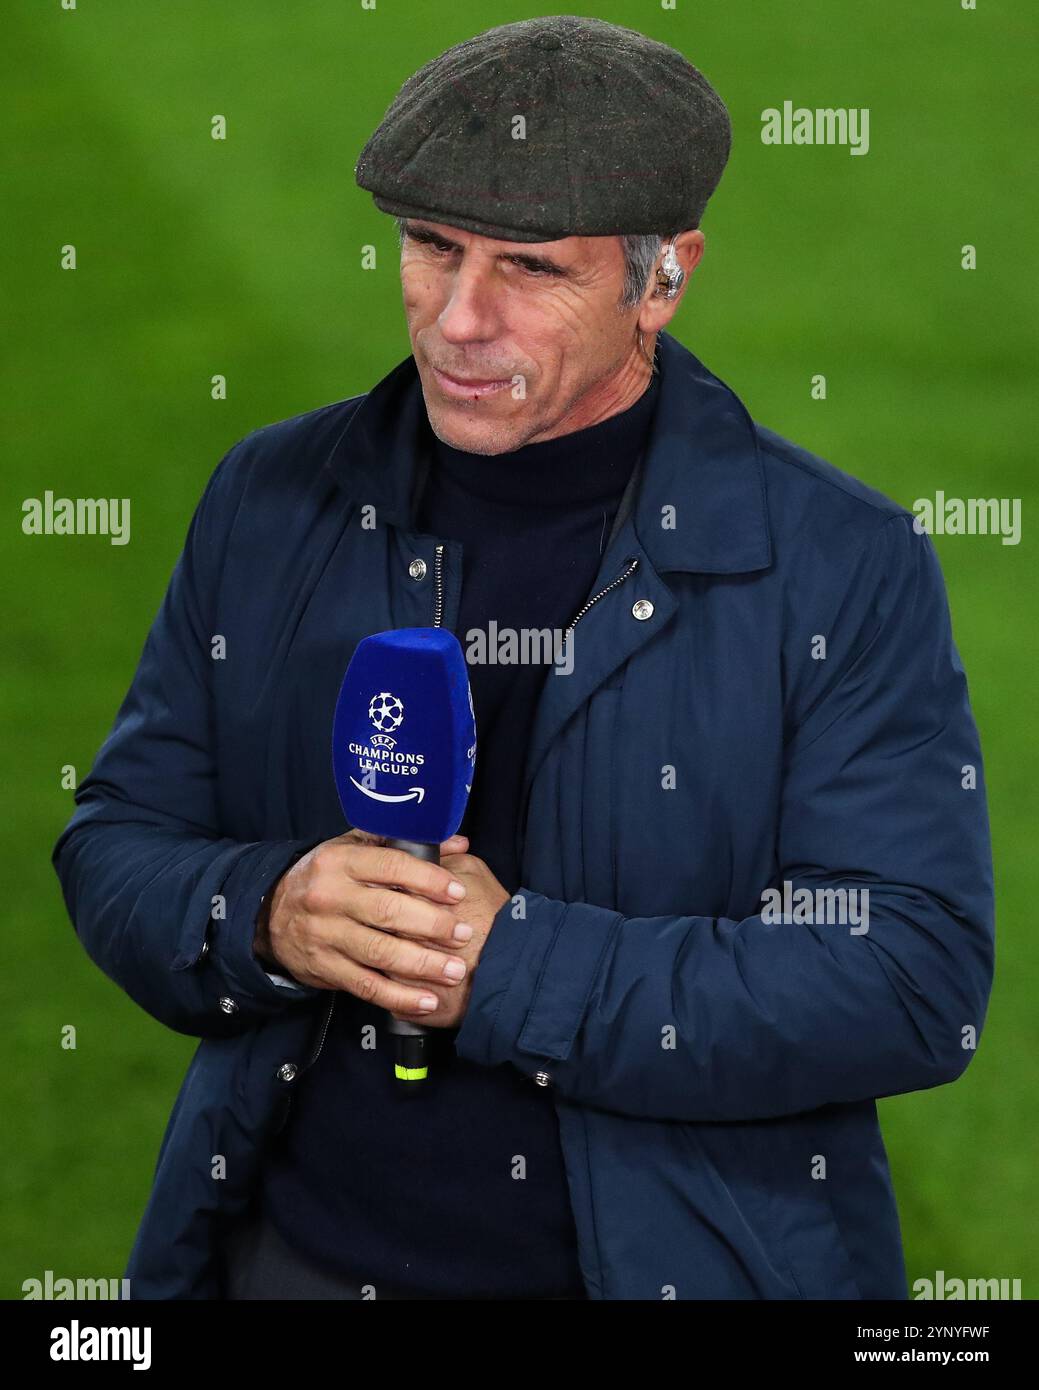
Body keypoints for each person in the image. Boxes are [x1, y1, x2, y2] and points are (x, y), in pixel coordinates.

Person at [52, 15, 994, 1301]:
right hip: (290, 1266)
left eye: (530, 269)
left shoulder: (839, 562)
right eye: (430, 248)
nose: (456, 318)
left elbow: (908, 974)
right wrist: (266, 909)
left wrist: (513, 967)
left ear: (662, 280)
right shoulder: (270, 497)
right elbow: (116, 837)